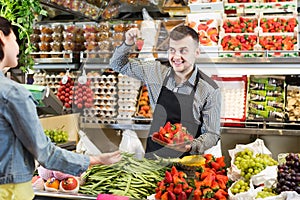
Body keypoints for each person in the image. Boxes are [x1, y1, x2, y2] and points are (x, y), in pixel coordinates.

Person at [0, 16, 122, 200]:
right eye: (15, 40)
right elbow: (45, 154)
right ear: (2, 37)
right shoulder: (13, 93)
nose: (18, 48)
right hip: (10, 191)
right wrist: (96, 160)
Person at [110, 25, 222, 159]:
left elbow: (212, 134)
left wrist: (191, 145)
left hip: (187, 163)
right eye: (172, 50)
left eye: (183, 51)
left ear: (196, 52)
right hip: (153, 159)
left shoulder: (210, 89)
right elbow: (117, 64)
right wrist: (127, 43)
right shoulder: (155, 71)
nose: (176, 57)